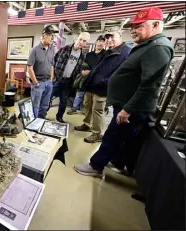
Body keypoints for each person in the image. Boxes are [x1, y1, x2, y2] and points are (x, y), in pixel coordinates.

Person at [74, 7, 174, 177]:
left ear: (156, 24)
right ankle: (119, 163)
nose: (134, 30)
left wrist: (127, 109)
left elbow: (148, 85)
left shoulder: (158, 48)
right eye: (133, 26)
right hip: (127, 103)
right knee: (124, 138)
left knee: (112, 135)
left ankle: (96, 165)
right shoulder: (146, 45)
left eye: (140, 26)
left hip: (131, 107)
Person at [75, 31, 132, 143]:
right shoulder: (108, 51)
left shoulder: (126, 52)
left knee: (97, 111)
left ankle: (96, 134)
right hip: (92, 85)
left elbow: (121, 75)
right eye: (107, 38)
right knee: (87, 106)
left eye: (112, 37)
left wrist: (103, 81)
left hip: (103, 88)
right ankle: (87, 124)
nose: (109, 40)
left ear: (120, 36)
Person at [53, 32, 90, 123]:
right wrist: (53, 76)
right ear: (76, 39)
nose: (81, 42)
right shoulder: (65, 48)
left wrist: (83, 72)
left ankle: (59, 117)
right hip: (57, 79)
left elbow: (80, 68)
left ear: (86, 43)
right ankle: (43, 114)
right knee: (48, 98)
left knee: (63, 101)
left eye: (84, 41)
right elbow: (54, 60)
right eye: (80, 39)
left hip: (68, 81)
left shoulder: (83, 55)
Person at [67, 35, 107, 115]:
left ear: (105, 43)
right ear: (96, 42)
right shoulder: (89, 54)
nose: (100, 43)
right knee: (79, 93)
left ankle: (89, 112)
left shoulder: (105, 55)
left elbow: (104, 68)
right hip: (85, 78)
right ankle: (74, 108)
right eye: (99, 41)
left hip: (96, 80)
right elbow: (82, 64)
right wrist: (82, 71)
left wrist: (91, 72)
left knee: (93, 98)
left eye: (103, 42)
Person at [27, 25, 58, 118]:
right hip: (38, 83)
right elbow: (29, 68)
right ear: (44, 35)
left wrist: (51, 79)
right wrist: (36, 83)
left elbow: (52, 64)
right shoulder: (34, 50)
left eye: (53, 35)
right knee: (35, 106)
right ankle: (33, 124)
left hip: (48, 83)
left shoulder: (52, 49)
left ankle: (41, 121)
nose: (52, 37)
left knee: (44, 106)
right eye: (50, 35)